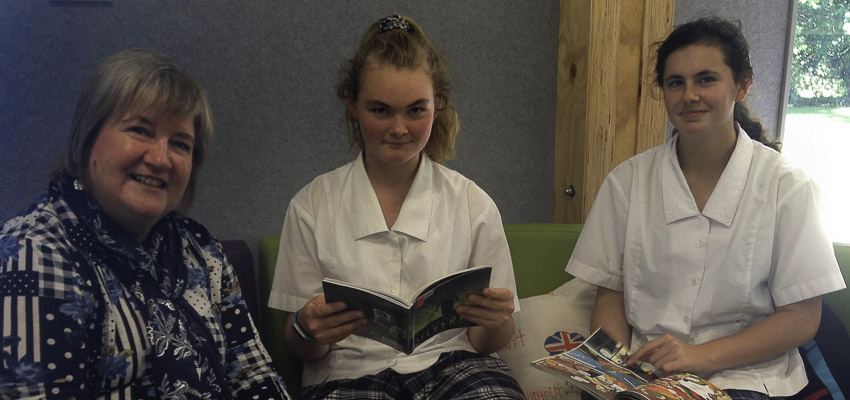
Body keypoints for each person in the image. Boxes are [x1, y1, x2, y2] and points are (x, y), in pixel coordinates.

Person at [565, 16, 846, 399]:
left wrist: (698, 356)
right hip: (645, 374)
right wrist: (614, 370)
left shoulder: (786, 187)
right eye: (675, 82)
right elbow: (610, 296)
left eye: (706, 79)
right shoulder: (627, 182)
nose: (689, 95)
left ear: (741, 84)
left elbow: (801, 320)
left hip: (746, 378)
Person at [0, 49, 291, 399]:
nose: (160, 158)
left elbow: (253, 372)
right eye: (140, 130)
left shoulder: (200, 249)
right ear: (87, 135)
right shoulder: (35, 253)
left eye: (180, 144)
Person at [267, 15, 524, 399]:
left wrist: (496, 320)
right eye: (380, 110)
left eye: (415, 110)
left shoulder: (474, 204)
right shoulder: (311, 206)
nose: (399, 128)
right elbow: (301, 346)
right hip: (348, 375)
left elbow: (490, 341)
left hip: (457, 368)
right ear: (353, 105)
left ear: (439, 105)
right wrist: (308, 328)